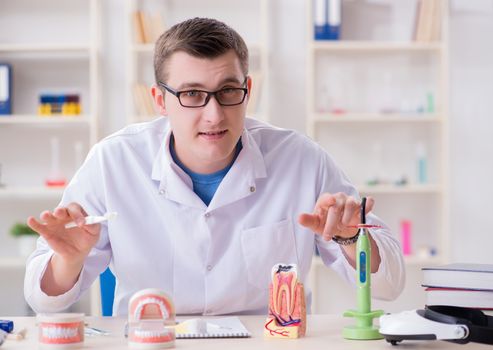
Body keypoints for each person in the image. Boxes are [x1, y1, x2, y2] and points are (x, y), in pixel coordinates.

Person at [24, 17, 405, 316]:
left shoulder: (302, 159)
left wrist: (350, 239)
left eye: (227, 91)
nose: (214, 114)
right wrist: (68, 261)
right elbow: (44, 300)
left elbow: (390, 284)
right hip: (154, 341)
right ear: (159, 99)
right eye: (191, 94)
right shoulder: (113, 161)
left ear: (248, 90)